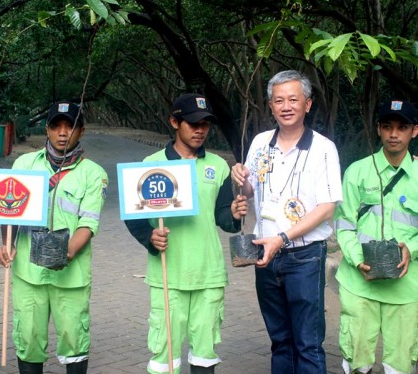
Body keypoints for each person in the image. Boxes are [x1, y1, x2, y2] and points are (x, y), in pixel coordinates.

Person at [125, 93, 248, 374]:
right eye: (193, 123)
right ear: (174, 122)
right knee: (163, 358)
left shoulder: (218, 166)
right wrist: (149, 238)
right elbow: (132, 216)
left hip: (209, 275)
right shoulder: (151, 163)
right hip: (168, 275)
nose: (200, 129)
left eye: (205, 124)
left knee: (205, 355)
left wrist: (234, 212)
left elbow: (223, 219)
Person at [231, 70, 343, 374]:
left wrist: (282, 237)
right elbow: (251, 190)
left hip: (305, 255)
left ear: (307, 104)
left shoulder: (323, 149)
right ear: (270, 106)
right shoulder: (259, 143)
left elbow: (327, 207)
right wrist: (239, 178)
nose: (286, 106)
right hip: (264, 254)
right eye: (279, 100)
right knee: (280, 340)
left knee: (307, 343)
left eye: (293, 99)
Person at [0, 101, 108, 374]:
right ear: (46, 129)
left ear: (81, 131)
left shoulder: (94, 174)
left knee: (74, 342)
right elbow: (7, 211)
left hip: (71, 276)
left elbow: (88, 223)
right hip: (27, 273)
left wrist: (67, 252)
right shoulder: (24, 164)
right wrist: (7, 244)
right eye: (56, 126)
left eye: (70, 126)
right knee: (29, 339)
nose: (62, 133)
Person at [334, 100, 418, 374]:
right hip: (360, 285)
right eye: (387, 126)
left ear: (414, 131)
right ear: (379, 129)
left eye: (402, 127)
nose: (394, 134)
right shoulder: (357, 172)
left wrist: (412, 249)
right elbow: (344, 224)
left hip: (407, 287)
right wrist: (358, 259)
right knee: (357, 362)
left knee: (400, 365)